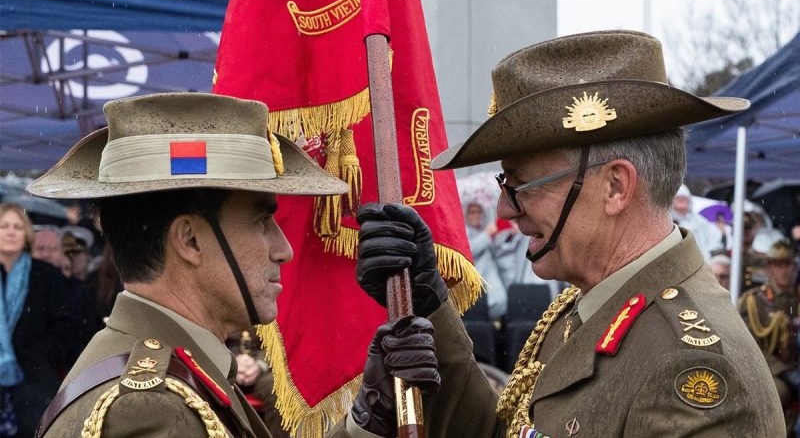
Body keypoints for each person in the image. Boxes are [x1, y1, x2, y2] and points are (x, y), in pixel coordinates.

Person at [344, 31, 785, 436]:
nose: (505, 209)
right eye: (503, 186)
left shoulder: (688, 368)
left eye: (520, 186)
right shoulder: (592, 304)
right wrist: (428, 302)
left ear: (615, 187)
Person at [31, 93, 438, 438]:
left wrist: (366, 418)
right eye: (262, 222)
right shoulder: (149, 406)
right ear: (190, 240)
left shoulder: (174, 372)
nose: (283, 250)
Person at [0, 204, 74, 437]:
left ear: (27, 234)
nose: (11, 232)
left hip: (34, 382)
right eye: (4, 226)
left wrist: (37, 354)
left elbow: (66, 327)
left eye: (17, 227)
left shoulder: (46, 275)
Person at [738, 239, 799, 434]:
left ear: (795, 266)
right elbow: (750, 347)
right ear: (768, 268)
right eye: (777, 265)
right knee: (773, 395)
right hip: (770, 372)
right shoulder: (754, 302)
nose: (783, 271)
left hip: (796, 367)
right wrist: (785, 372)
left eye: (787, 264)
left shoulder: (797, 299)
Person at [465, 200, 507, 320]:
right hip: (475, 283)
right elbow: (468, 252)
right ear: (467, 215)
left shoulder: (483, 230)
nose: (476, 215)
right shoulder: (464, 231)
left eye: (479, 212)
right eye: (472, 212)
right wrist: (486, 235)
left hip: (491, 281)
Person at [671, 185, 723, 260]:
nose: (681, 201)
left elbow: (714, 239)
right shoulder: (668, 222)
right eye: (678, 198)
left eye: (684, 198)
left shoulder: (700, 221)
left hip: (701, 260)